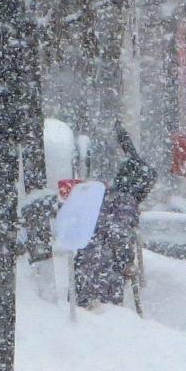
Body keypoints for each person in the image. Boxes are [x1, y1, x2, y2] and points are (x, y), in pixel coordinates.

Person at [75, 127, 157, 308]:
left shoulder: (104, 195)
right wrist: (126, 262)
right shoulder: (125, 203)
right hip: (102, 276)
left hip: (85, 268)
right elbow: (120, 235)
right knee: (104, 314)